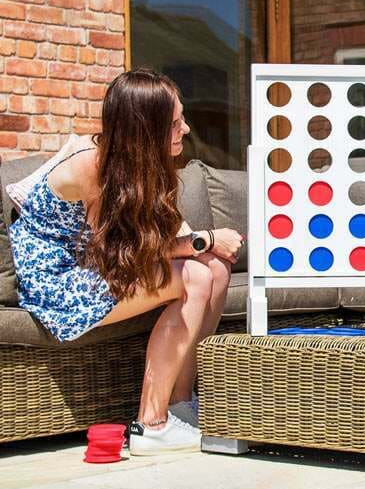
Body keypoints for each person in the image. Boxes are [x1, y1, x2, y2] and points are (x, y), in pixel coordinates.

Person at [9, 69, 243, 455]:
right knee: (196, 276)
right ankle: (151, 424)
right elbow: (126, 252)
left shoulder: (137, 164)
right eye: (174, 122)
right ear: (145, 128)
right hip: (61, 283)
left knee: (215, 269)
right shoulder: (90, 167)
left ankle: (180, 406)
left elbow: (161, 235)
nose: (185, 129)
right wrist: (205, 239)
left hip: (95, 267)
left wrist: (204, 246)